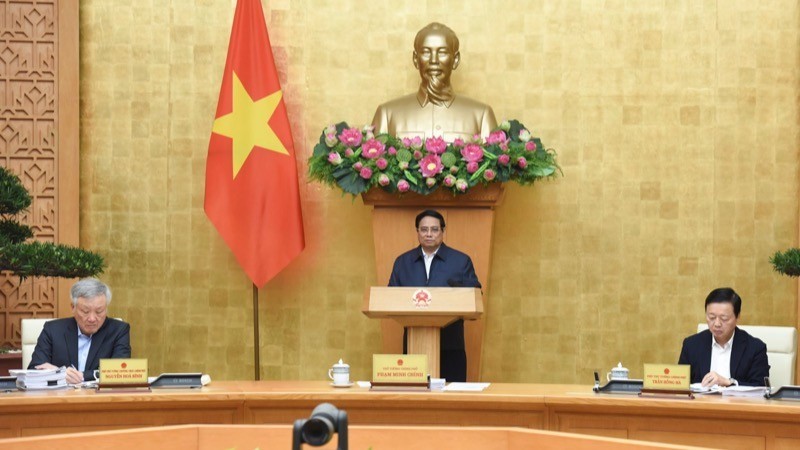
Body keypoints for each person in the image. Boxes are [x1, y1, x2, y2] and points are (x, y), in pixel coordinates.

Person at [388, 209, 480, 382]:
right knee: (414, 401)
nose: (429, 234)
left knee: (451, 402)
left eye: (434, 229)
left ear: (443, 232)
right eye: (424, 230)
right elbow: (390, 298)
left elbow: (474, 297)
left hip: (451, 345)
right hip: (414, 345)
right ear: (417, 232)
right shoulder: (403, 262)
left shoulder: (460, 261)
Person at [372, 22, 497, 141]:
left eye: (442, 52)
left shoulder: (481, 116)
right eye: (426, 52)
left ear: (455, 60)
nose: (433, 60)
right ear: (416, 59)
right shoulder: (387, 115)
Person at [29, 277, 131, 383]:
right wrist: (59, 374)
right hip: (60, 397)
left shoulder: (119, 331)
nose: (92, 318)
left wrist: (81, 376)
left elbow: (119, 371)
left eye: (99, 311)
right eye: (85, 311)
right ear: (73, 307)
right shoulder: (52, 330)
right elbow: (34, 369)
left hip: (98, 397)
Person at [678, 287, 769, 387]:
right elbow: (681, 384)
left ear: (737, 316)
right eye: (711, 317)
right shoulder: (691, 345)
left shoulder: (755, 348)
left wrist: (729, 382)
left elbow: (761, 387)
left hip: (736, 402)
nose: (717, 324)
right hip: (702, 402)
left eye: (724, 318)